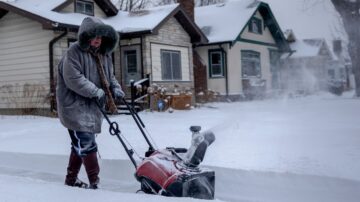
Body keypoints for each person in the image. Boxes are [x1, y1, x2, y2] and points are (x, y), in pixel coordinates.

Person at [56, 17, 124, 189]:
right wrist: (95, 91)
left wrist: (116, 88)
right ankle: (95, 183)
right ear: (85, 36)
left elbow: (110, 77)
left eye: (100, 37)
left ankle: (70, 180)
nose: (97, 40)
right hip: (74, 107)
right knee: (86, 144)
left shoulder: (104, 54)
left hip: (92, 108)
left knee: (80, 145)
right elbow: (73, 79)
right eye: (94, 36)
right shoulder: (74, 52)